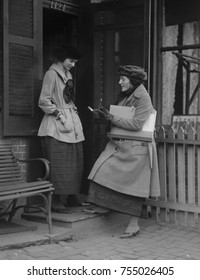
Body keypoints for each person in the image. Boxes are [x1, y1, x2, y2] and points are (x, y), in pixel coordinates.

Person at [87, 65, 160, 238]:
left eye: (123, 79)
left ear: (133, 81)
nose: (119, 82)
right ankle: (104, 205)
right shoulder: (127, 95)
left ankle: (134, 225)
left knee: (135, 187)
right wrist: (105, 115)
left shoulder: (144, 98)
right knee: (101, 169)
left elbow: (136, 124)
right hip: (122, 145)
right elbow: (122, 116)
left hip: (138, 148)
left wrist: (111, 117)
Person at [37, 45, 84, 212]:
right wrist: (58, 113)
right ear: (62, 58)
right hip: (56, 124)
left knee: (75, 161)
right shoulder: (51, 74)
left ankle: (71, 196)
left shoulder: (68, 74)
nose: (73, 64)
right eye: (71, 61)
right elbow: (44, 100)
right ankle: (56, 200)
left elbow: (68, 98)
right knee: (58, 163)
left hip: (72, 122)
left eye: (75, 62)